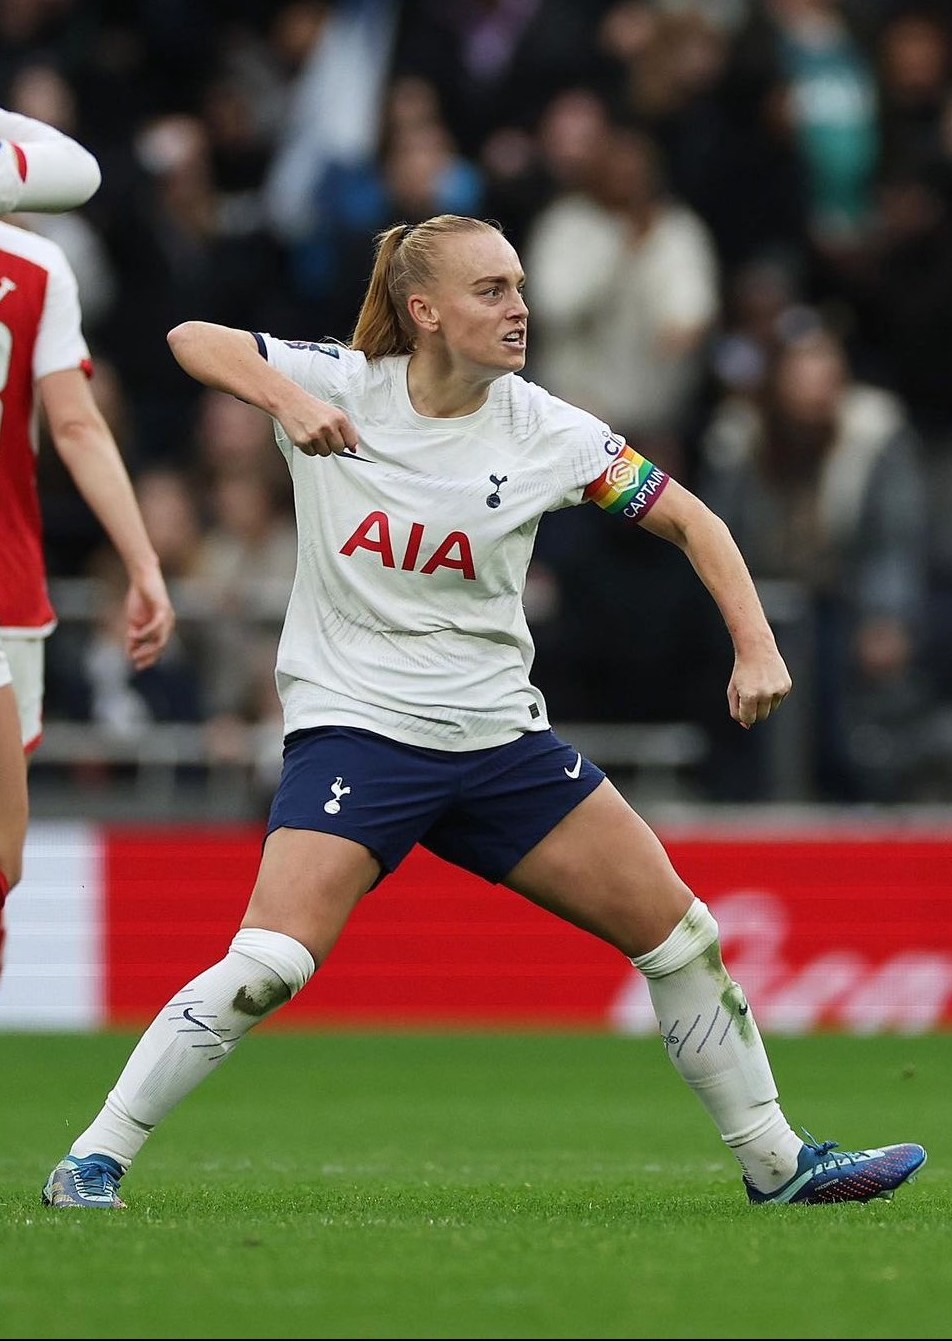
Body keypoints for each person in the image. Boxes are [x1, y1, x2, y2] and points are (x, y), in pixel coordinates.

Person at [43, 214, 925, 1210]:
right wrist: (285, 399)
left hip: (499, 743)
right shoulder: (340, 382)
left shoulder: (548, 432)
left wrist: (756, 643)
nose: (519, 309)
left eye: (517, 287)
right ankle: (92, 1160)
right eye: (491, 290)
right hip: (360, 733)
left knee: (682, 938)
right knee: (272, 962)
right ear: (423, 312)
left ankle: (777, 1164)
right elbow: (189, 340)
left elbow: (691, 518)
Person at [0, 108, 175, 971]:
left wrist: (142, 560)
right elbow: (76, 427)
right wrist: (143, 562)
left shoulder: (38, 266)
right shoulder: (34, 267)